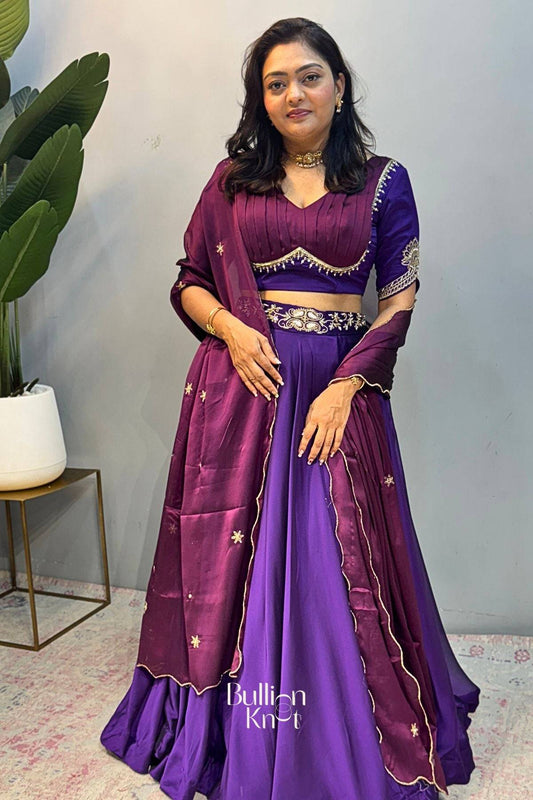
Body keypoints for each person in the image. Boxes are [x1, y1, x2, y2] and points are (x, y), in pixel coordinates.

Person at [100, 17, 480, 800]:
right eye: (275, 83)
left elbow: (397, 298)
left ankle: (326, 732)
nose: (293, 94)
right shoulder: (231, 182)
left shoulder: (381, 182)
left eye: (308, 76)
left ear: (338, 85)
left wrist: (347, 385)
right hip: (242, 389)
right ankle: (237, 727)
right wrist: (232, 329)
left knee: (328, 558)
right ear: (260, 99)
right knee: (238, 557)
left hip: (335, 395)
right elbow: (190, 280)